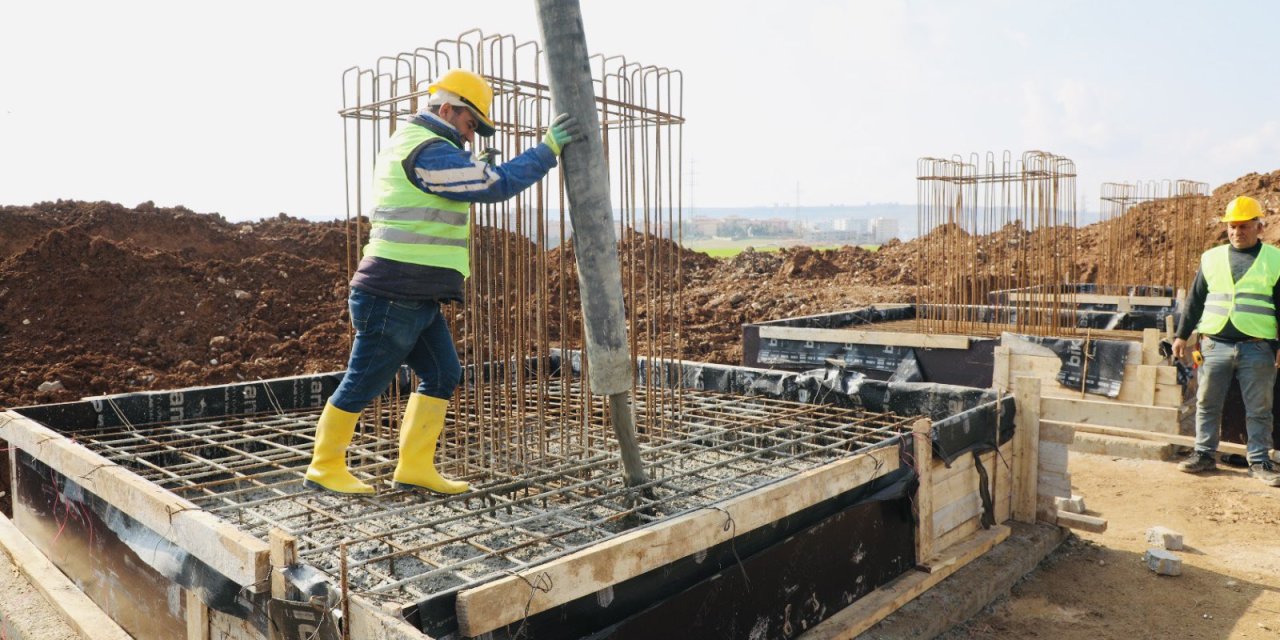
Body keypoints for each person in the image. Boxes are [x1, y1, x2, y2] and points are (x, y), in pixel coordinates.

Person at [304, 68, 581, 495]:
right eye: (471, 125)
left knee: (442, 372)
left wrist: (468, 166)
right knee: (364, 380)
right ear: (447, 109)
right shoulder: (429, 150)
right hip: (392, 292)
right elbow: (496, 184)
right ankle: (324, 466)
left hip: (415, 294)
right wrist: (546, 152)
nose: (472, 137)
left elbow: (458, 184)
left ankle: (414, 468)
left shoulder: (421, 144)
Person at [1172, 195, 1280, 487]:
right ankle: (1204, 454)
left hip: (1257, 346)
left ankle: (1259, 462)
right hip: (1213, 344)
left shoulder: (1274, 259)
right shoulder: (1212, 258)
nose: (1237, 232)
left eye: (1244, 226)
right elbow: (1195, 300)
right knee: (1207, 402)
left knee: (1259, 407)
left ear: (1258, 226)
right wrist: (1182, 335)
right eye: (1232, 226)